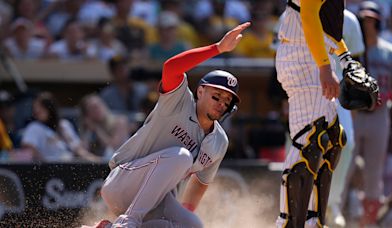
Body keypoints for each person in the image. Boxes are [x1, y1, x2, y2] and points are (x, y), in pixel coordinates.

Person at [94, 22, 250, 227]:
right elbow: (171, 67)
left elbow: (198, 187)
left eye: (227, 101)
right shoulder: (179, 101)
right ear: (201, 91)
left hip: (155, 201)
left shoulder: (219, 141)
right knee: (182, 157)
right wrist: (218, 48)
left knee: (193, 226)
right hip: (123, 182)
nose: (222, 103)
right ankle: (127, 222)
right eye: (217, 96)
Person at [274, 0, 371, 227]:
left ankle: (313, 221)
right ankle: (287, 223)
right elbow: (308, 15)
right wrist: (325, 67)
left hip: (313, 54)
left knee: (332, 140)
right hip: (304, 56)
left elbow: (325, 24)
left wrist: (346, 58)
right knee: (309, 142)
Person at [349, 2, 392, 226]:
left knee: (374, 171)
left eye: (372, 21)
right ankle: (339, 213)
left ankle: (369, 222)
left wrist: (388, 95)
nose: (368, 24)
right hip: (355, 114)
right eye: (364, 20)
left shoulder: (390, 51)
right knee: (347, 165)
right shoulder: (351, 53)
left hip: (380, 114)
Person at [327, 9, 365, 228]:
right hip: (299, 89)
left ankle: (332, 203)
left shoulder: (348, 20)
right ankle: (288, 209)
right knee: (298, 150)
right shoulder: (291, 15)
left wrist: (355, 102)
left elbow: (355, 66)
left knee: (347, 144)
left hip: (337, 93)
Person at [20, 92, 101, 163]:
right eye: (35, 109)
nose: (37, 112)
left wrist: (94, 160)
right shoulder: (34, 127)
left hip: (69, 164)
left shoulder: (63, 125)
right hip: (49, 168)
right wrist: (44, 165)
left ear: (50, 109)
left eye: (41, 109)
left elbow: (77, 149)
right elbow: (29, 149)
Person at [79, 93, 130, 161]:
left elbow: (114, 147)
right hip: (101, 164)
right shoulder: (91, 126)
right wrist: (88, 130)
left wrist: (97, 129)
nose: (97, 110)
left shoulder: (120, 121)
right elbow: (82, 149)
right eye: (92, 108)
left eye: (98, 105)